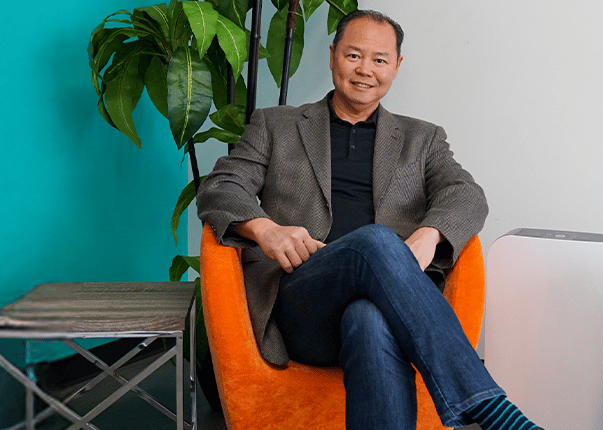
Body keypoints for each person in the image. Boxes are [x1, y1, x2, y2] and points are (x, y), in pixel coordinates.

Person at [197, 10, 542, 430]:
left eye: (379, 60)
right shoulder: (276, 125)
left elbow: (467, 195)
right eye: (353, 55)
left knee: (369, 319)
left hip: (390, 308)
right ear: (332, 56)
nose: (365, 70)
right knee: (376, 242)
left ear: (397, 67)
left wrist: (428, 235)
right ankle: (489, 408)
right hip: (304, 300)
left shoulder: (423, 138)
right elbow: (220, 187)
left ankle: (485, 407)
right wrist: (265, 229)